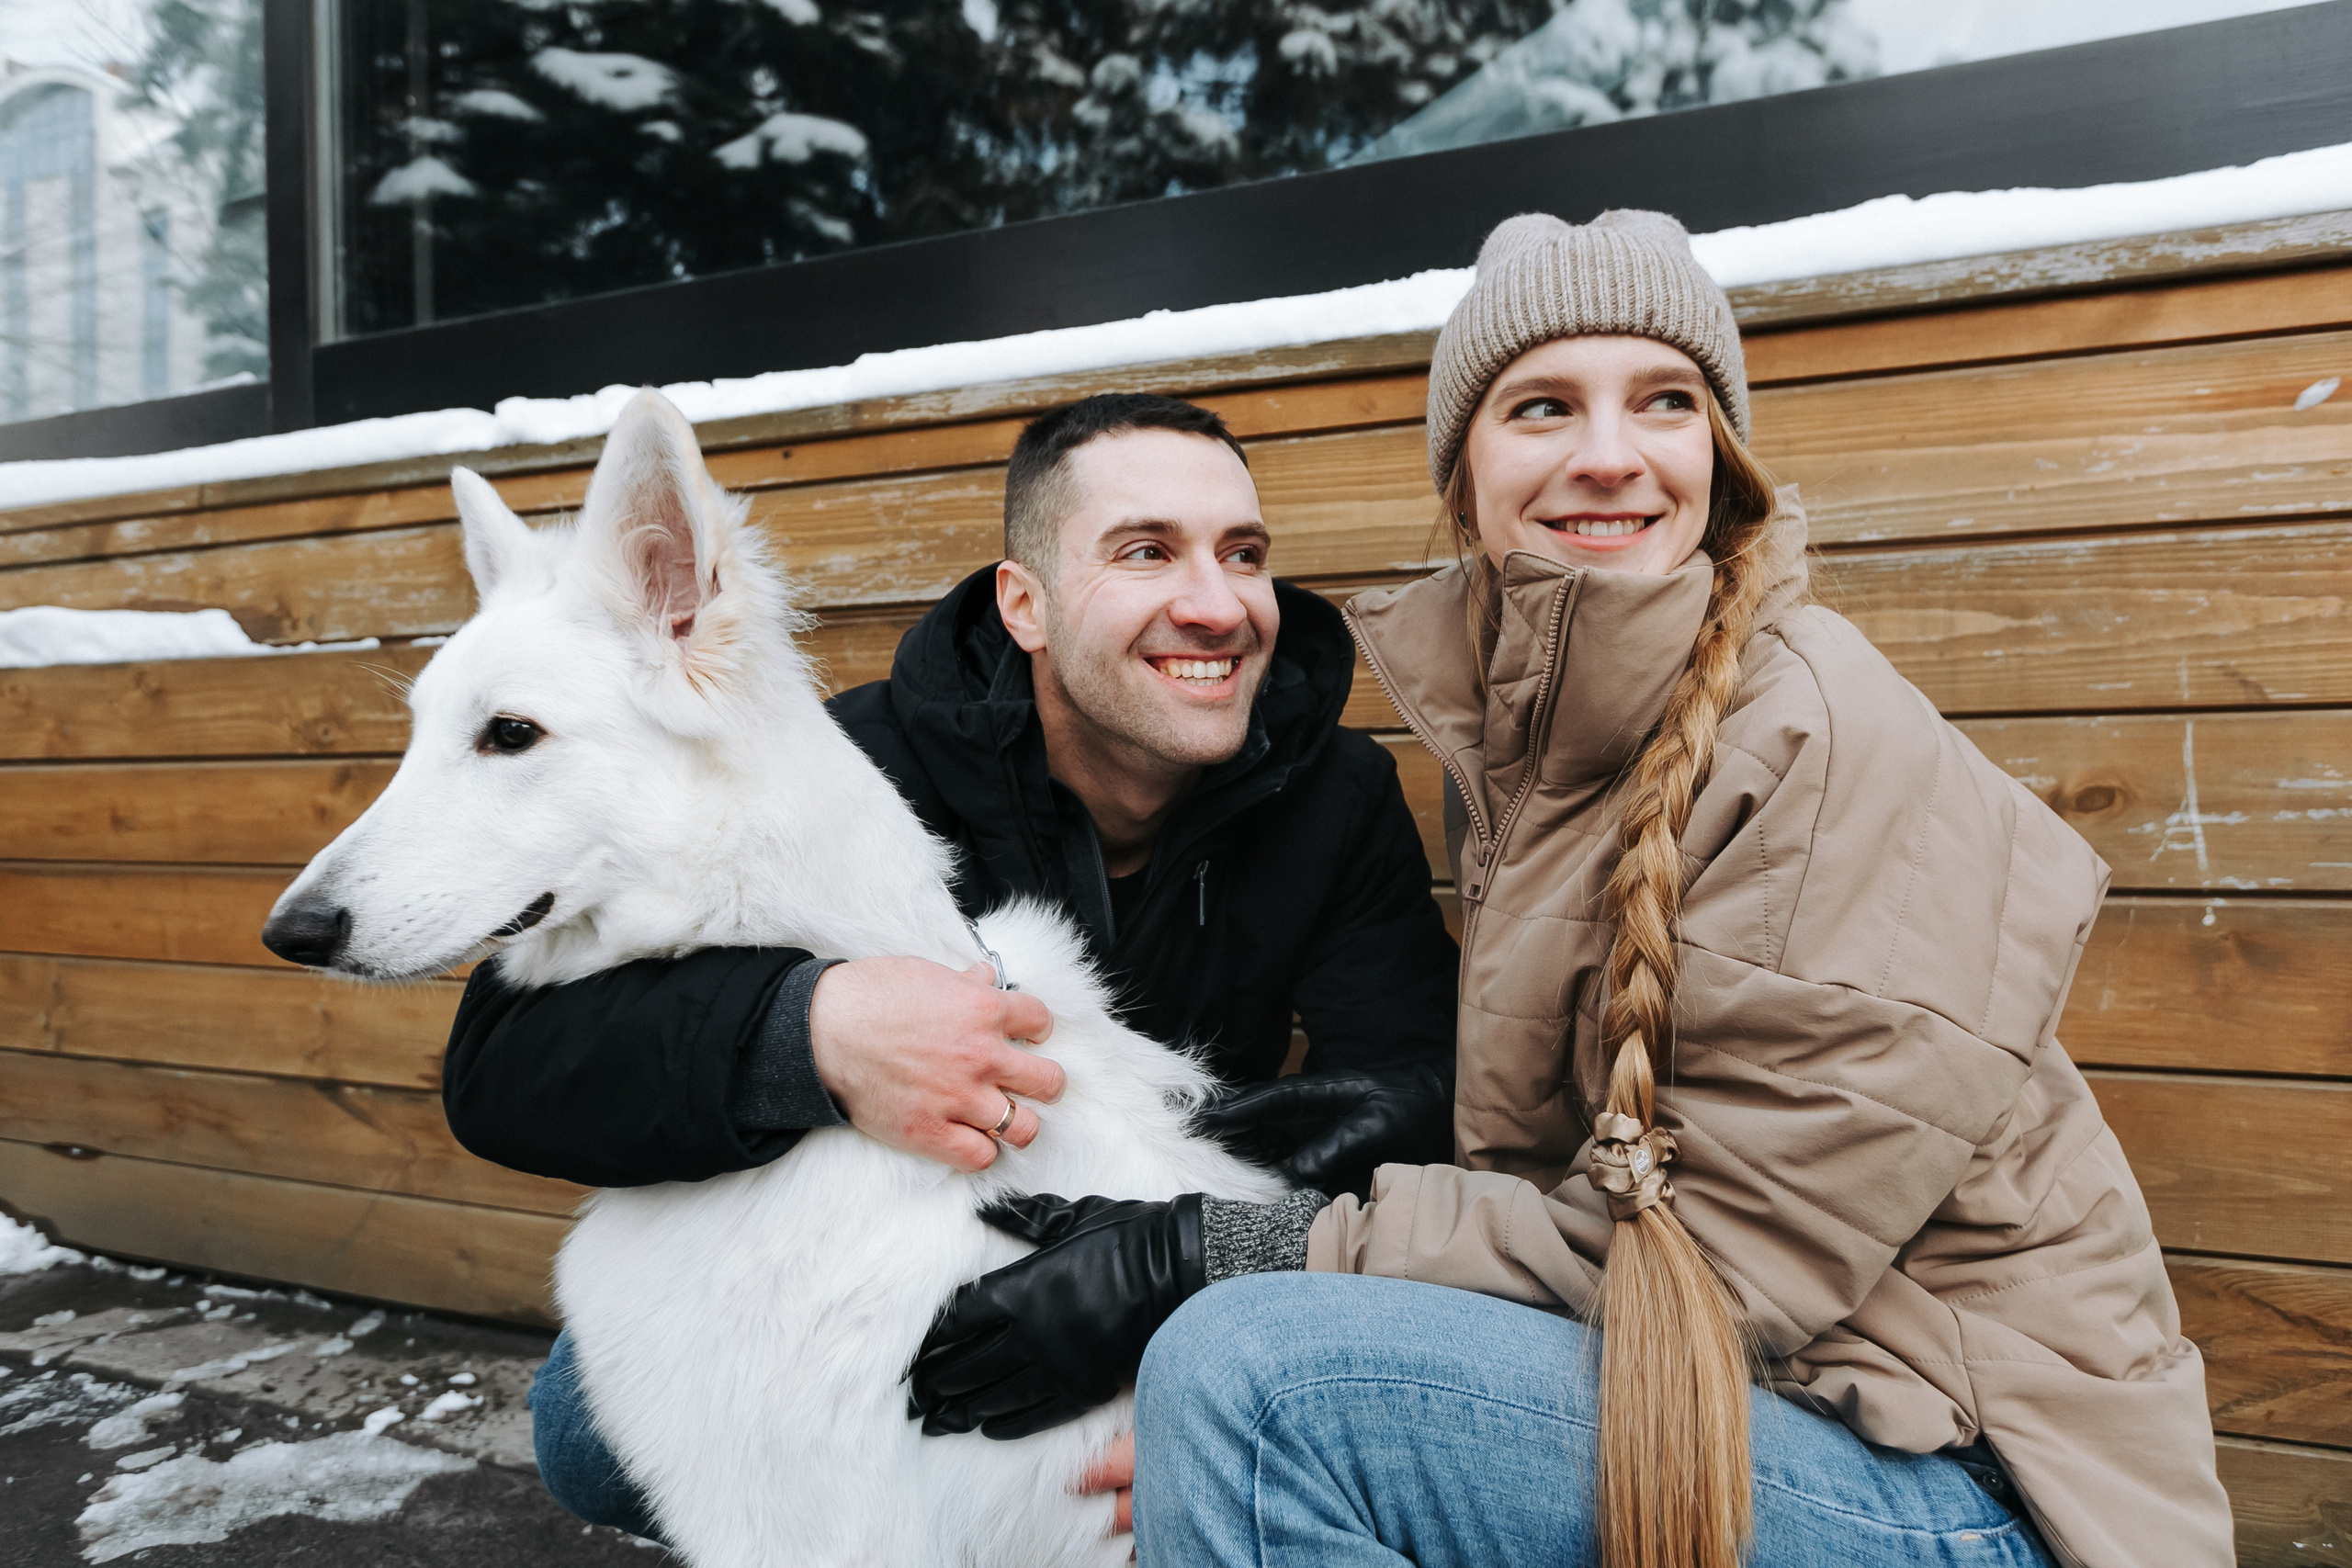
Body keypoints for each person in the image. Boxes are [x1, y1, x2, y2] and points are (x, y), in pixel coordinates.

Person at [907, 213, 2233, 1568]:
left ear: (1717, 458)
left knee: (1253, 1379)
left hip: (1968, 1486)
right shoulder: (1536, 751)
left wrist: (1213, 1253)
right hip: (1752, 1415)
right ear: (1466, 475)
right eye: (1544, 405)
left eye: (1666, 400)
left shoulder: (1819, 745)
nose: (1610, 452)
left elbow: (1711, 1266)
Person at [448, 392, 1461, 1538]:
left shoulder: (1336, 794)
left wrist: (1197, 1294)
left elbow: (1407, 1094)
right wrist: (808, 1029)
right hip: (871, 1270)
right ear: (1022, 605)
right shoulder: (850, 759)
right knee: (586, 1419)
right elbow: (503, 1063)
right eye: (1146, 552)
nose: (1216, 605)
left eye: (1243, 554)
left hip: (1171, 1251)